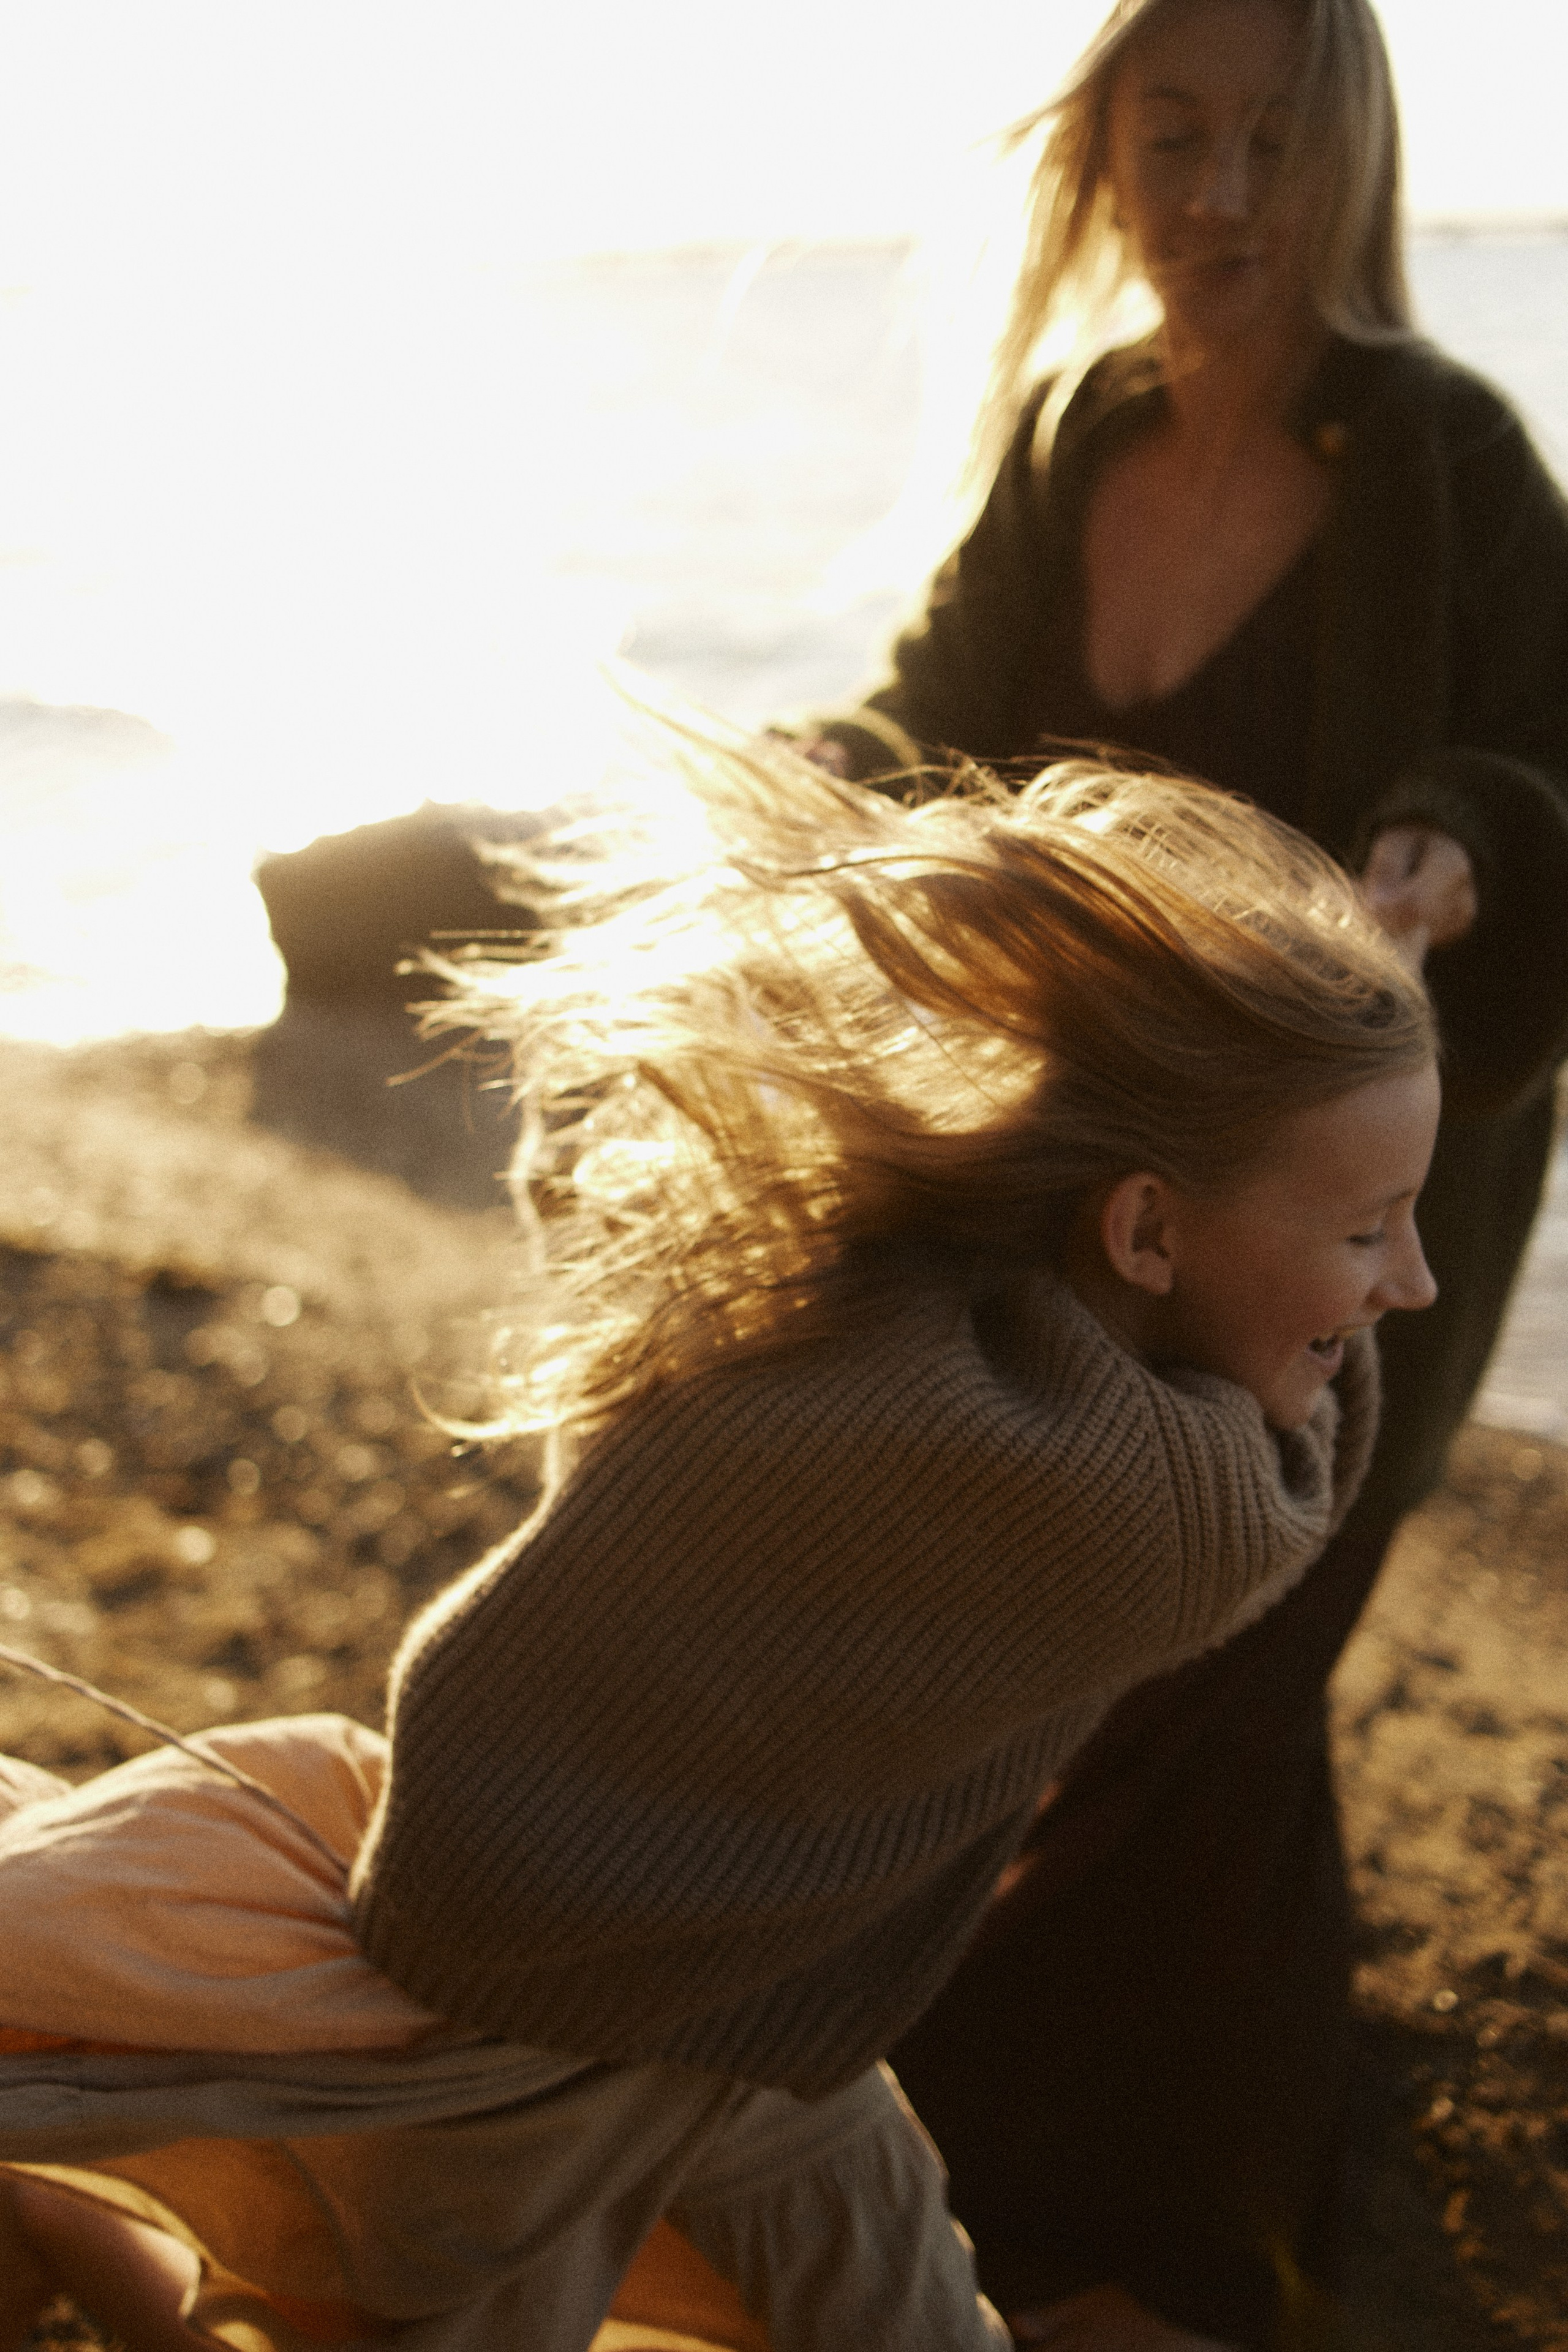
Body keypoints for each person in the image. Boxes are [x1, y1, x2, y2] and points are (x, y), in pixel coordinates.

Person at [0, 722, 1440, 2352]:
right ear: (1145, 1227)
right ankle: (61, 2218)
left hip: (728, 1998)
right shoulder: (1129, 1506)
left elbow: (590, 1190)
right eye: (1370, 1231)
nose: (1413, 1286)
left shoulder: (886, 1295)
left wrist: (1296, 1130)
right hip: (533, 2013)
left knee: (903, 2310)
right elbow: (1294, 1480)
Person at [791, 1, 1568, 2343]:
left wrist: (1456, 833)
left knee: (1231, 1625)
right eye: (1175, 133)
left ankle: (1177, 2235)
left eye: (1272, 139)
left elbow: (1556, 762)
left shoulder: (1448, 454)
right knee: (1069, 1634)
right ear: (1104, 155)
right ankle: (964, 2151)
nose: (1221, 194)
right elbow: (929, 716)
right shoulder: (1076, 429)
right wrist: (809, 796)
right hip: (1103, 1194)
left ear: (1351, 159)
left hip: (1354, 1219)